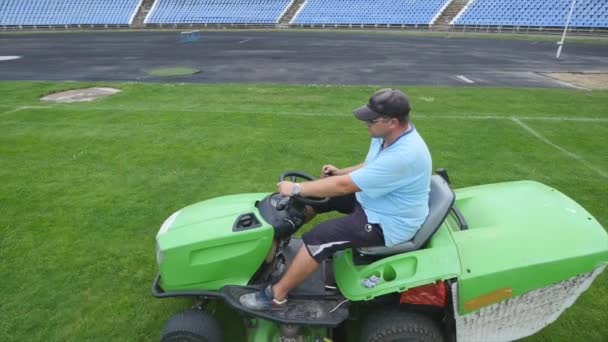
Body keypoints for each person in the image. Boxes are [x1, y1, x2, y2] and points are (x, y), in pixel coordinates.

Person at [240, 88, 432, 311]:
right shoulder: (386, 137)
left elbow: (344, 187)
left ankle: (276, 296)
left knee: (320, 236)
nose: (366, 123)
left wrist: (295, 187)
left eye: (371, 119)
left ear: (392, 122)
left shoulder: (406, 154)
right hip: (375, 201)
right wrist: (342, 172)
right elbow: (372, 166)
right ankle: (277, 246)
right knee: (312, 197)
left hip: (389, 223)